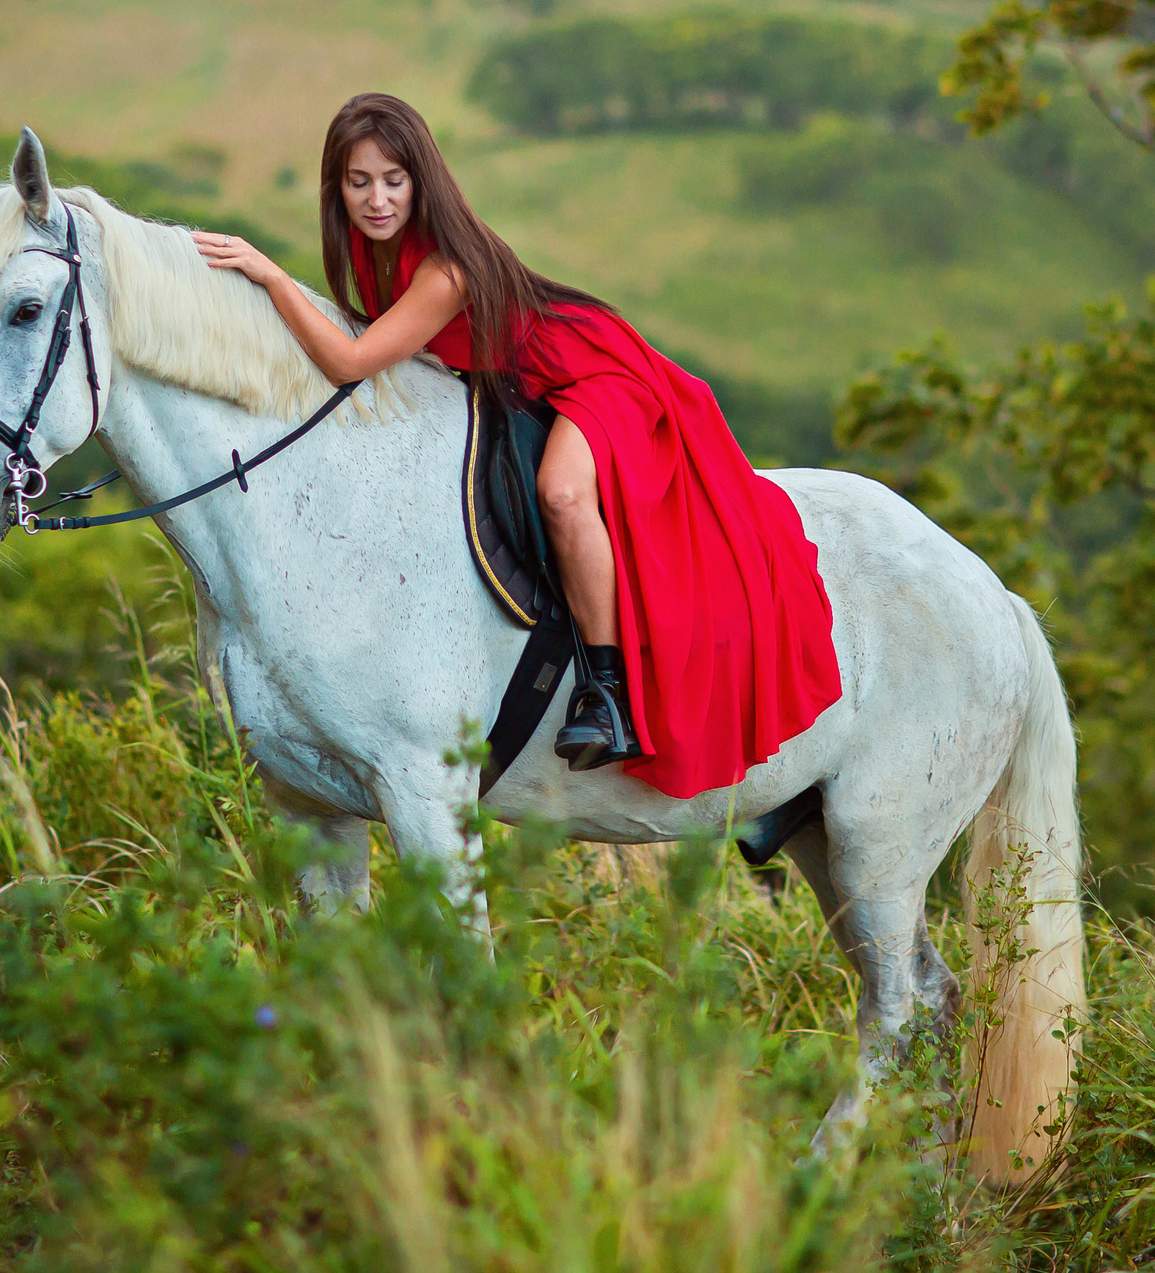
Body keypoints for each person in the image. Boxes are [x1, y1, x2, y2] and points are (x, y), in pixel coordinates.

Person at [192, 92, 841, 793]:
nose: (376, 198)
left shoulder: (444, 267)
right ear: (337, 187)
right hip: (525, 384)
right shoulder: (373, 253)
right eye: (358, 181)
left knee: (560, 492)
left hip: (589, 372)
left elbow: (351, 362)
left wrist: (268, 276)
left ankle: (607, 690)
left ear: (421, 181)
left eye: (392, 180)